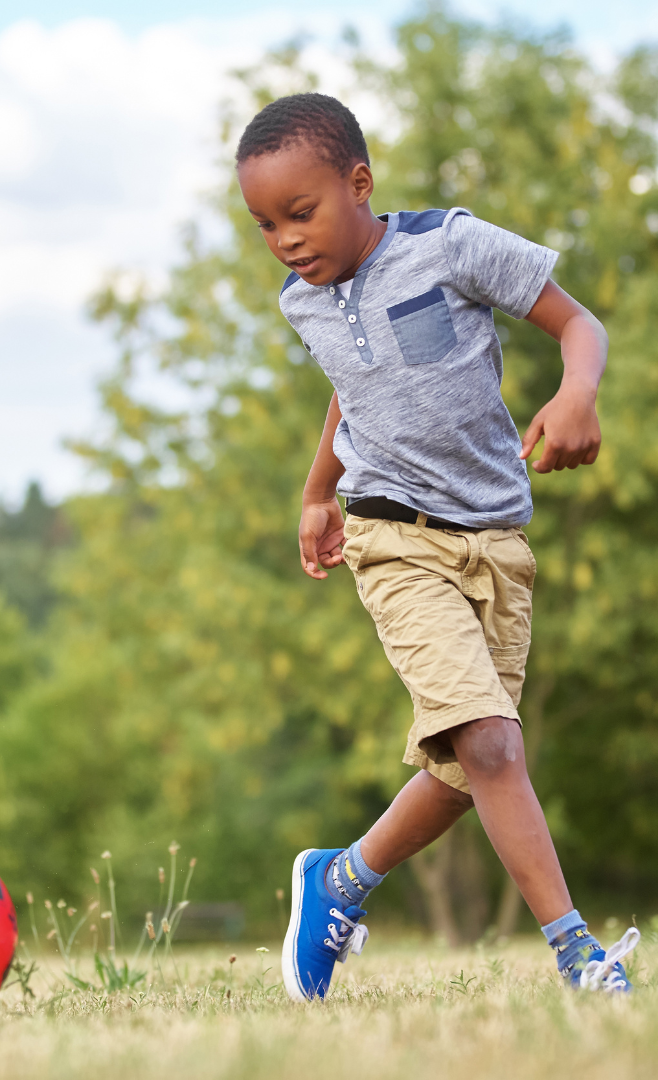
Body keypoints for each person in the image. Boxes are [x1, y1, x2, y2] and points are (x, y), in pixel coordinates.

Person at [235, 92, 639, 1000]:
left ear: (359, 183)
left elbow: (581, 323)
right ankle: (579, 956)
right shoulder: (303, 302)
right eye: (266, 225)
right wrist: (316, 493)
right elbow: (353, 388)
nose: (288, 241)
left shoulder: (451, 247)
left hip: (496, 542)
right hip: (392, 537)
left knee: (466, 771)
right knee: (492, 744)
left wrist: (579, 392)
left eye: (301, 213)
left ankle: (338, 881)